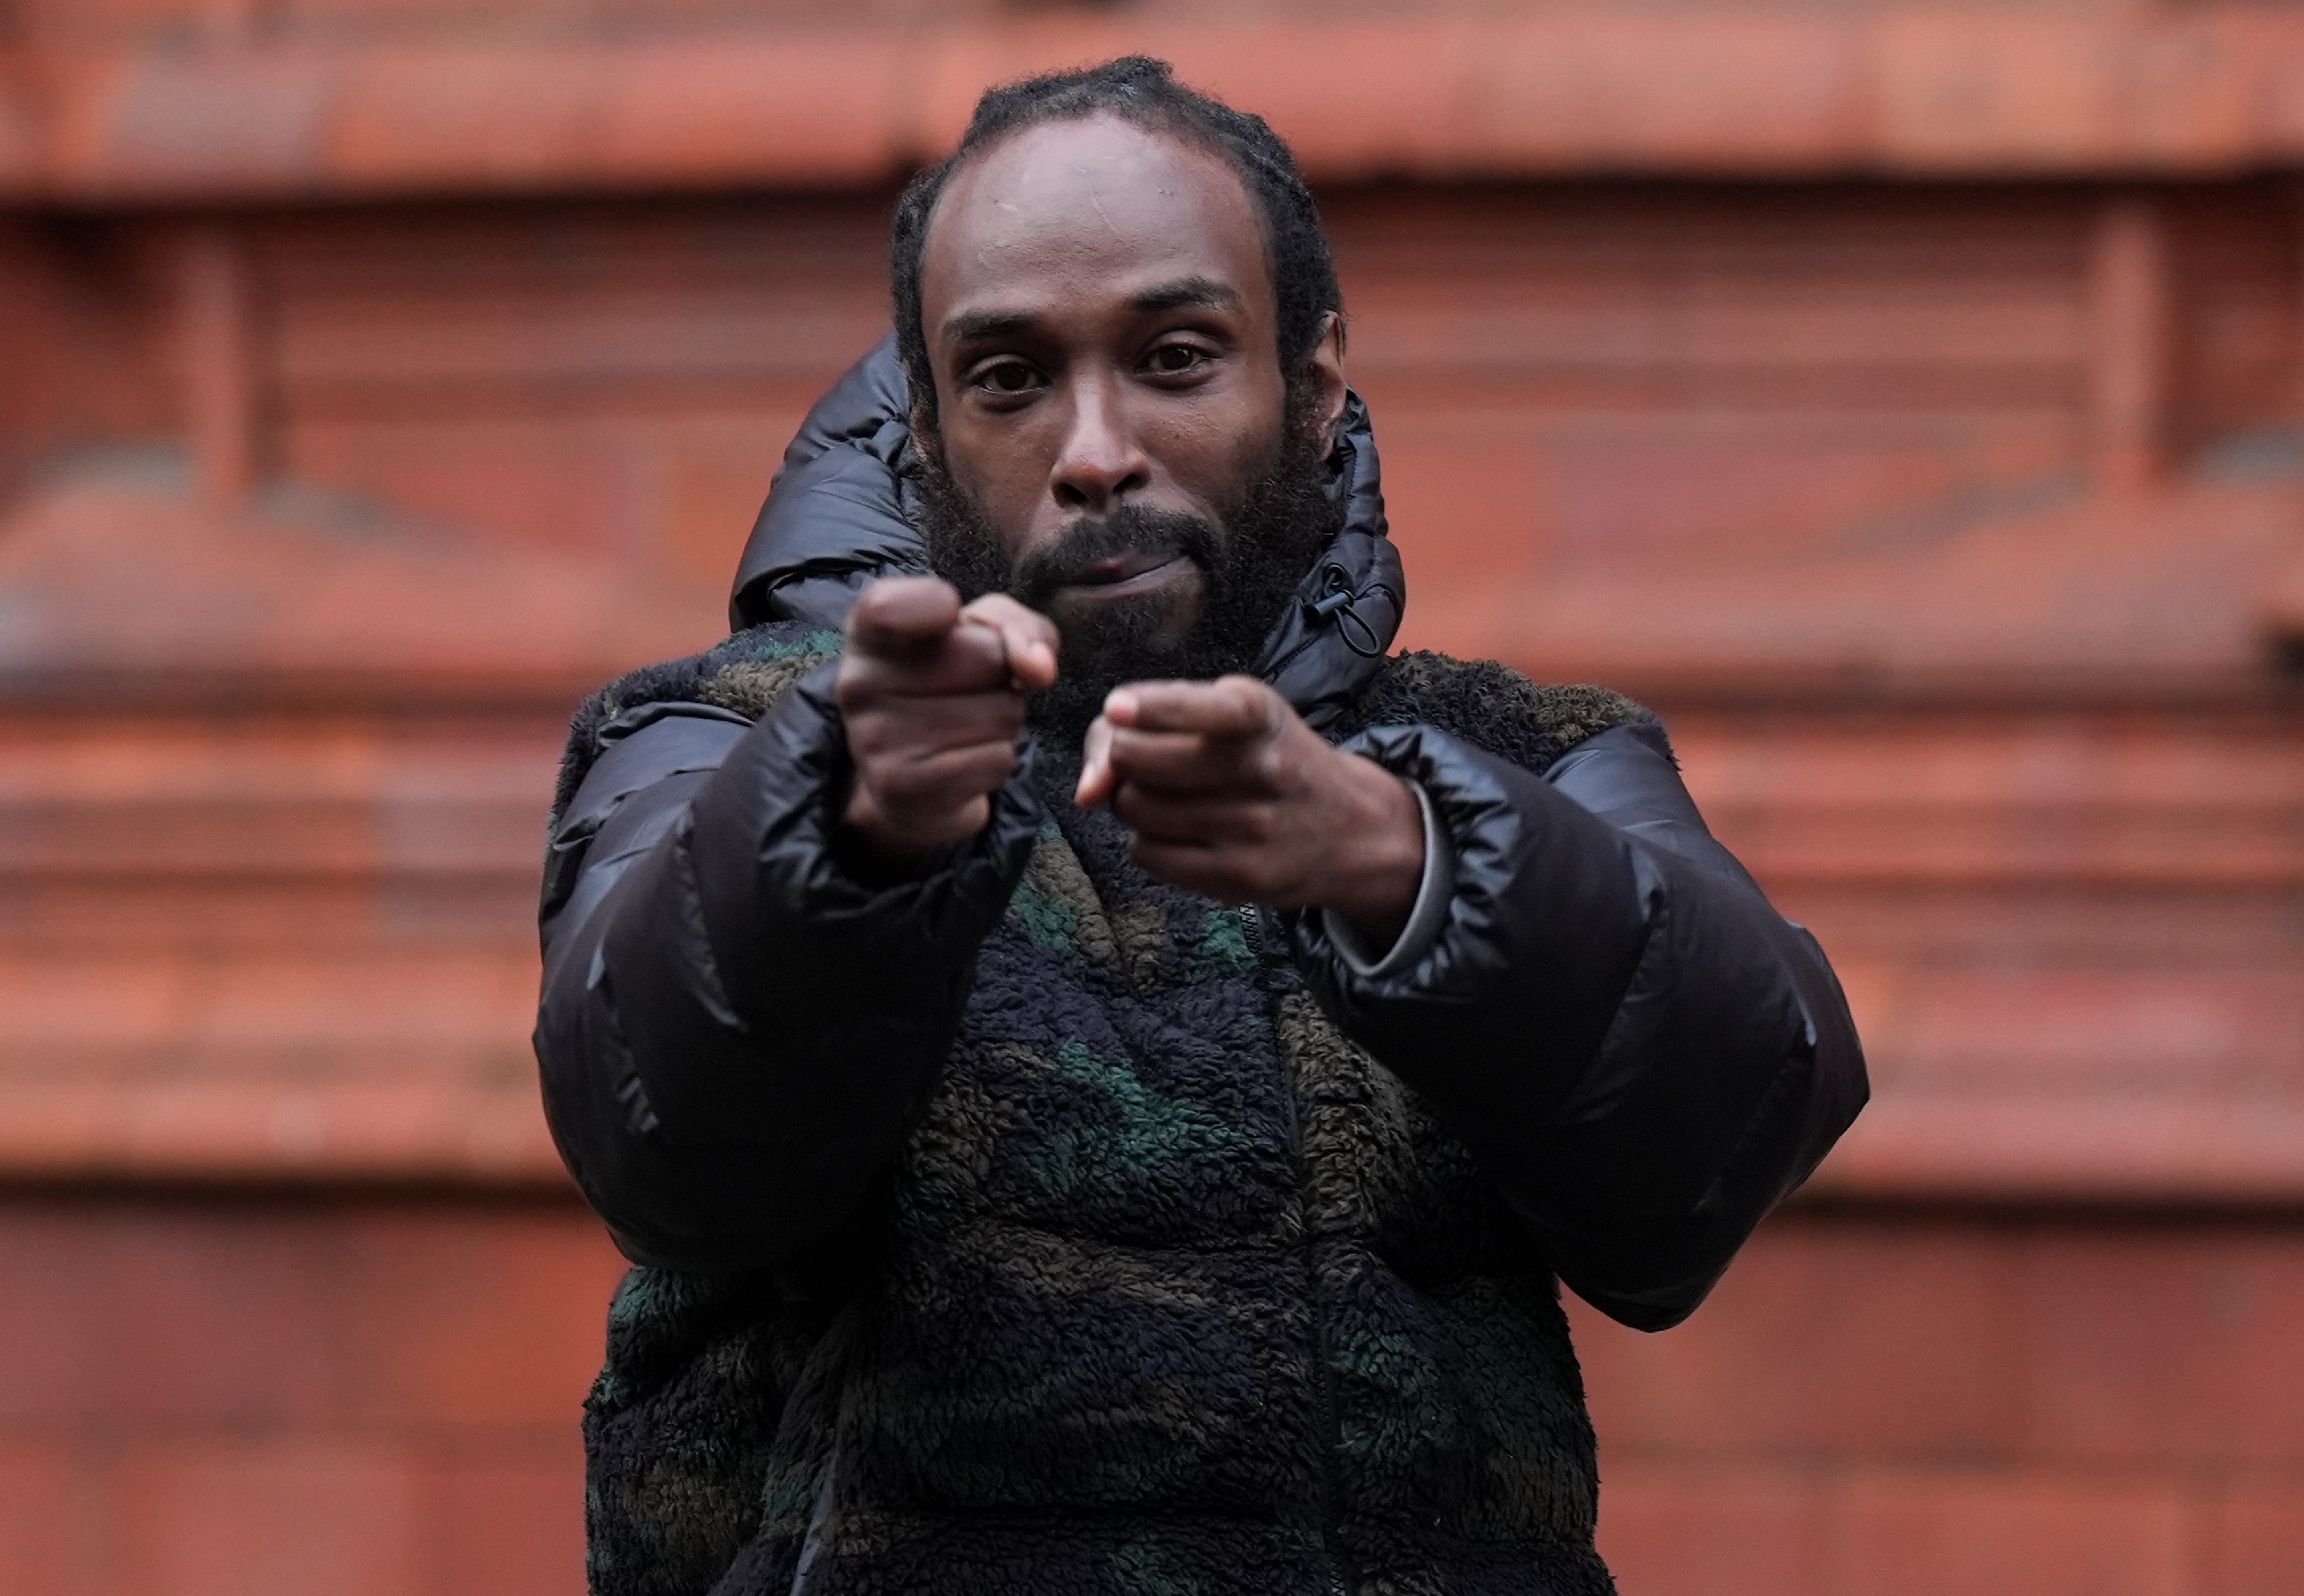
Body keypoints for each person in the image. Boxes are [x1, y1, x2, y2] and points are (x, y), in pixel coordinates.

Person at [535, 57, 1866, 1596]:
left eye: (1174, 357)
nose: (1094, 448)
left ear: (1313, 387)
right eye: (1012, 379)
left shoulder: (1523, 758)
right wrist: (852, 831)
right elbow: (658, 1139)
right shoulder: (719, 740)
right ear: (927, 427)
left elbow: (1735, 1129)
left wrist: (1403, 862)